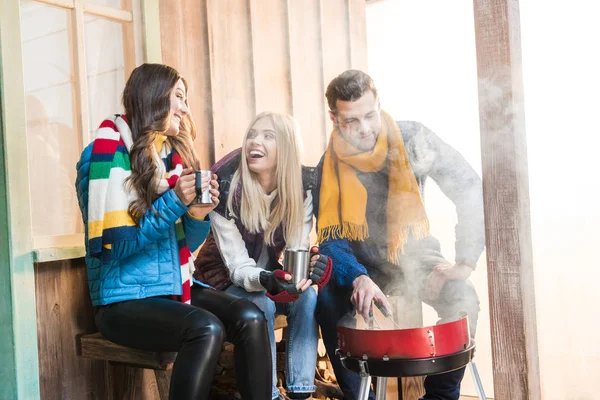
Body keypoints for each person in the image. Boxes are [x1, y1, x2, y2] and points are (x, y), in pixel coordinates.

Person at [75, 63, 273, 399]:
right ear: (153, 98)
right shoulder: (104, 155)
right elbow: (114, 248)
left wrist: (197, 215)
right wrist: (174, 203)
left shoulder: (167, 159)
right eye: (178, 97)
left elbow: (186, 244)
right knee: (205, 329)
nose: (185, 107)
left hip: (171, 288)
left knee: (250, 317)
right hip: (122, 302)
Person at [313, 70, 481, 400]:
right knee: (327, 299)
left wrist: (465, 259)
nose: (364, 129)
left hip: (414, 255)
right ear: (334, 118)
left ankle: (439, 398)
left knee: (465, 296)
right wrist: (358, 277)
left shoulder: (413, 138)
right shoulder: (328, 166)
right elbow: (332, 239)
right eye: (351, 121)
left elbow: (469, 186)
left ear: (379, 105)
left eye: (370, 115)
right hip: (361, 266)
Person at [194, 111, 332, 400]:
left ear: (287, 147)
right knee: (261, 305)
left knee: (306, 297)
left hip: (271, 274)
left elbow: (297, 247)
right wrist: (267, 279)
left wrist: (303, 273)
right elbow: (237, 269)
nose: (255, 141)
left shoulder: (301, 187)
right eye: (252, 134)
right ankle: (266, 394)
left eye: (268, 136)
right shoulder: (226, 184)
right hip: (219, 280)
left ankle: (301, 390)